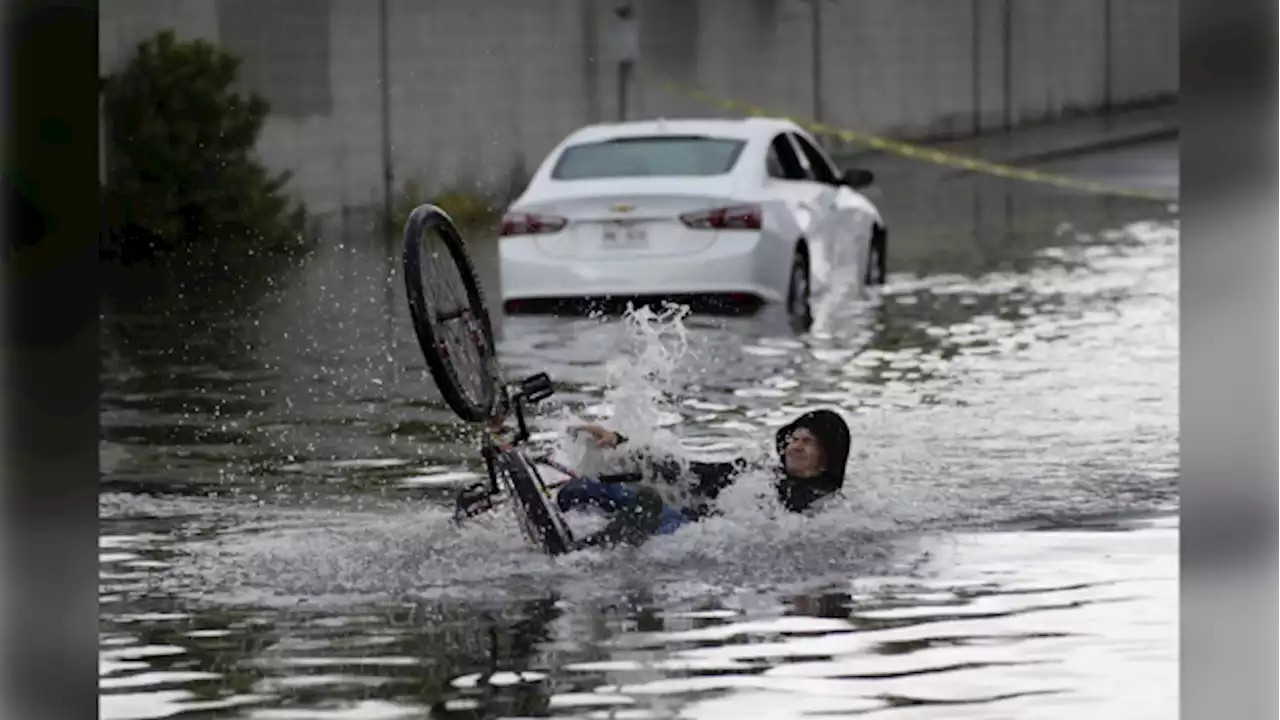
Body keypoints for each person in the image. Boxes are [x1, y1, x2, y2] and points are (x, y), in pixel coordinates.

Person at [556, 408, 852, 549]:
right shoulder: (754, 471)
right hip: (687, 519)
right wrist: (619, 440)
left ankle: (582, 546)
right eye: (794, 438)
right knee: (584, 491)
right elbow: (690, 472)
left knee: (650, 513)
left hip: (691, 534)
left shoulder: (823, 504)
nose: (795, 446)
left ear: (828, 456)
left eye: (808, 442)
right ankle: (567, 516)